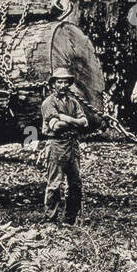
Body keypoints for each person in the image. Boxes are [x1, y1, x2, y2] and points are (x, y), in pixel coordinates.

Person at [40, 67, 88, 225]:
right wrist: (75, 123)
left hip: (72, 145)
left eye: (65, 82)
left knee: (75, 184)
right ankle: (50, 220)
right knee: (55, 184)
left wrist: (66, 118)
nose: (62, 85)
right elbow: (56, 126)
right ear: (53, 84)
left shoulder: (74, 103)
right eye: (59, 82)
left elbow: (84, 122)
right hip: (56, 145)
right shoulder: (48, 103)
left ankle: (69, 220)